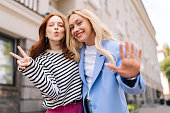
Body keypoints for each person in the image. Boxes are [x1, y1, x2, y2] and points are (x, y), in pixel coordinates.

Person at [65, 9, 146, 113]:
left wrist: (131, 78)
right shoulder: (78, 53)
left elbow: (136, 90)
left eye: (79, 23)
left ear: (91, 22)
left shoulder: (115, 49)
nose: (75, 29)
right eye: (72, 27)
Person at [10, 14, 84, 113]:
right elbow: (54, 94)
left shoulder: (74, 52)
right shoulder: (42, 60)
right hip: (59, 110)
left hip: (81, 107)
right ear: (45, 33)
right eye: (51, 25)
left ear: (65, 31)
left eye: (61, 25)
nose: (56, 27)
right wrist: (32, 69)